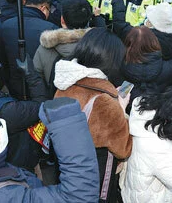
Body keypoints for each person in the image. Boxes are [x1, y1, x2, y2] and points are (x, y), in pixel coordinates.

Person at [53, 28, 131, 202]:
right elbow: (124, 149)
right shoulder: (105, 101)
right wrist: (121, 108)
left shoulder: (64, 82)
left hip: (66, 167)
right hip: (95, 178)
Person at [0, 0, 57, 100]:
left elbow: (2, 56)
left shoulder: (5, 25)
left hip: (14, 83)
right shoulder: (50, 29)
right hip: (41, 86)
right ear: (44, 8)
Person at [32, 0, 94, 99]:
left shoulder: (44, 48)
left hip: (55, 102)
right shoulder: (99, 45)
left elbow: (37, 78)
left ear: (62, 20)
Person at [122, 26, 172, 102]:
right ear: (154, 42)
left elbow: (122, 95)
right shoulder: (167, 69)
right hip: (157, 108)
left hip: (129, 109)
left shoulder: (122, 66)